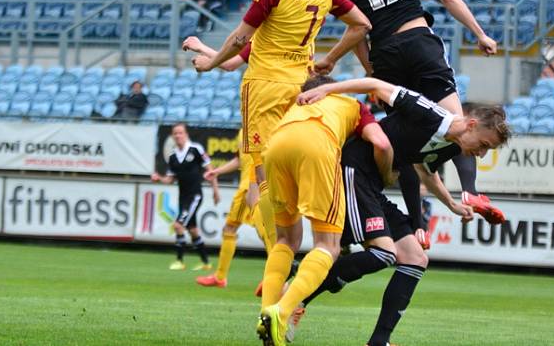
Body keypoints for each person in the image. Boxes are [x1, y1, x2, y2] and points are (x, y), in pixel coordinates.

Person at [186, 0, 371, 264]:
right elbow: (362, 25)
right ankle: (313, 240)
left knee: (263, 176)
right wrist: (330, 59)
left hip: (266, 87)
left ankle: (279, 257)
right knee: (288, 171)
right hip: (303, 87)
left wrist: (210, 64)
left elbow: (241, 38)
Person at [292, 78, 510, 346]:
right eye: (485, 145)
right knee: (383, 253)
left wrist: (452, 204)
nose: (482, 154)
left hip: (372, 185)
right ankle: (297, 294)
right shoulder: (431, 114)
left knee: (415, 258)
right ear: (472, 124)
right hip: (354, 170)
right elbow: (375, 84)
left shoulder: (451, 143)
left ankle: (378, 341)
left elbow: (426, 173)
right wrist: (325, 89)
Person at [337, 0, 505, 224]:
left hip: (384, 55)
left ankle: (417, 225)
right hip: (418, 42)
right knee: (457, 122)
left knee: (411, 145)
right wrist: (480, 33)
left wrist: (373, 73)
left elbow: (357, 32)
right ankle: (469, 189)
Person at [256, 75, 391, 346]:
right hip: (317, 145)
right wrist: (386, 176)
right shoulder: (351, 104)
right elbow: (382, 143)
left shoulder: (296, 104)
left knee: (285, 240)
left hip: (275, 147)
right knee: (327, 245)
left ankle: (266, 315)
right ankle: (282, 312)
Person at [196, 130, 275, 288]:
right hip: (247, 186)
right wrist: (217, 171)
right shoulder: (243, 131)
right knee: (239, 229)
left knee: (259, 230)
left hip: (253, 187)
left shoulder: (261, 126)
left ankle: (276, 276)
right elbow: (239, 160)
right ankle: (276, 275)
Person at [151, 123, 220, 271]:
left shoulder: (196, 149)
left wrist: (215, 191)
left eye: (180, 133)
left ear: (186, 134)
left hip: (195, 195)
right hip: (182, 198)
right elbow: (170, 180)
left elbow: (210, 170)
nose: (178, 136)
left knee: (178, 225)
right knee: (193, 230)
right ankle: (206, 262)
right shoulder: (173, 157)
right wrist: (159, 178)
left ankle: (180, 261)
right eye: (175, 133)